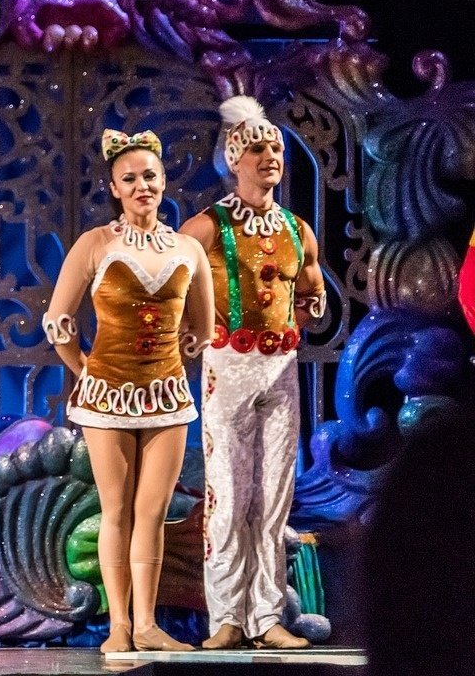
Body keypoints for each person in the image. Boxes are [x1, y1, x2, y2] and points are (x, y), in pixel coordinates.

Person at [42, 129, 214, 654]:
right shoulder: (96, 243)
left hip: (166, 396)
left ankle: (147, 624)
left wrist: (174, 355)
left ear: (163, 182)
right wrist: (85, 365)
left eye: (151, 176)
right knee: (116, 510)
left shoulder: (187, 248)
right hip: (106, 397)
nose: (143, 185)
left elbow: (203, 328)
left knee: (153, 513)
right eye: (131, 178)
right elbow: (58, 319)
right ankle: (118, 624)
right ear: (115, 187)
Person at [179, 95, 325, 650]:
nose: (271, 157)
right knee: (229, 495)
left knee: (273, 499)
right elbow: (168, 274)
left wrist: (311, 310)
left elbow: (313, 294)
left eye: (277, 150)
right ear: (235, 159)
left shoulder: (297, 229)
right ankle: (226, 618)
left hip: (281, 366)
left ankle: (266, 618)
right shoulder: (208, 226)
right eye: (259, 148)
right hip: (229, 365)